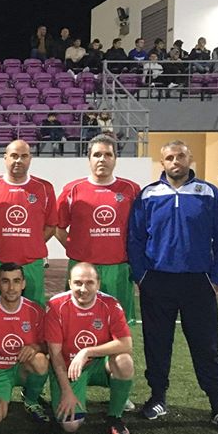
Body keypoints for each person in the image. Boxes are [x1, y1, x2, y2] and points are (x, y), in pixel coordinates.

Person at [128, 140, 218, 431]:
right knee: (156, 344)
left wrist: (217, 278)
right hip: (157, 281)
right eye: (169, 158)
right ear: (162, 162)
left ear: (189, 159)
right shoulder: (148, 195)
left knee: (206, 345)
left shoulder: (209, 193)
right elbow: (135, 238)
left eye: (180, 156)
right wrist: (141, 276)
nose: (175, 162)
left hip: (198, 283)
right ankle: (157, 398)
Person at [56, 135, 140, 323]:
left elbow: (141, 229)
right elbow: (58, 227)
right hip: (82, 269)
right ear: (89, 159)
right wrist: (75, 249)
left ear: (115, 159)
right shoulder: (72, 190)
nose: (102, 159)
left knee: (117, 325)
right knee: (78, 322)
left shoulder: (131, 190)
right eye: (97, 155)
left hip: (118, 269)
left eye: (108, 155)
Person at [45, 262, 134, 434]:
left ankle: (115, 417)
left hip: (97, 364)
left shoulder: (110, 304)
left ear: (98, 284)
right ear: (70, 283)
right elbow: (55, 354)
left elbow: (126, 344)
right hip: (68, 368)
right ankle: (70, 392)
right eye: (78, 283)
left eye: (89, 283)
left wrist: (86, 352)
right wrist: (67, 391)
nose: (83, 289)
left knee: (124, 361)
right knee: (70, 425)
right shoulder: (56, 306)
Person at [0, 140, 57, 306]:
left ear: (30, 159)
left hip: (31, 263)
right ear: (5, 158)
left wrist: (32, 243)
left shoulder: (45, 188)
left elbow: (51, 226)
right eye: (14, 156)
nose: (18, 160)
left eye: (24, 156)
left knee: (34, 312)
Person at [0, 262, 51, 427]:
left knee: (40, 361)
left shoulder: (35, 311)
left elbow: (48, 344)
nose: (11, 288)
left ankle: (31, 400)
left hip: (24, 368)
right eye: (5, 281)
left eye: (16, 281)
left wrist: (36, 347)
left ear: (23, 284)